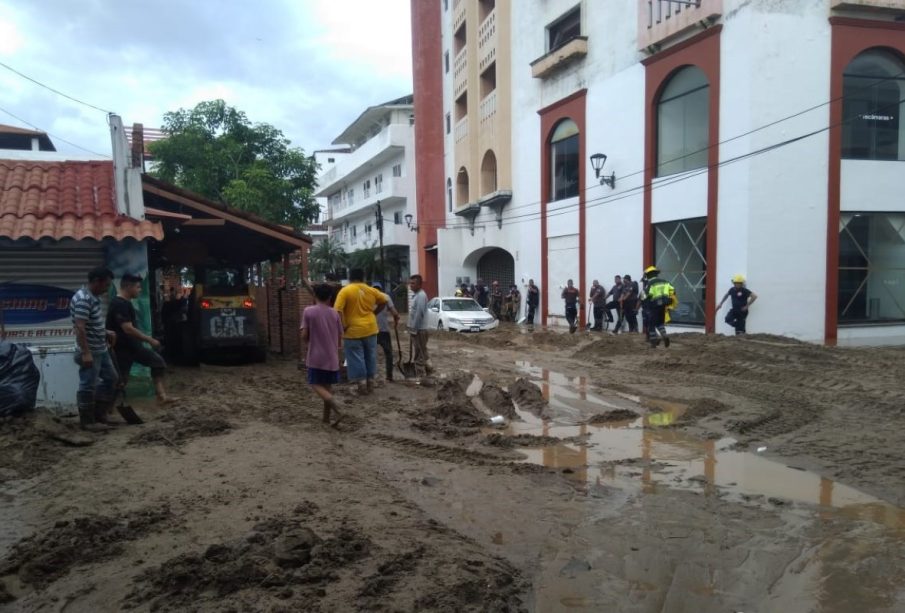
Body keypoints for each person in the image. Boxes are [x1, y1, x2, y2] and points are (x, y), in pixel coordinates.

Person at [106, 274, 176, 405]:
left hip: (133, 346)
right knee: (120, 380)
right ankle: (108, 408)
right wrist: (149, 339)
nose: (140, 290)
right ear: (128, 287)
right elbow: (127, 328)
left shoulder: (126, 303)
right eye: (138, 287)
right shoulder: (119, 304)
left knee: (158, 362)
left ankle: (161, 396)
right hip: (121, 349)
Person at [70, 267, 118, 429]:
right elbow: (80, 328)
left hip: (100, 349)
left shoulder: (92, 298)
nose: (107, 289)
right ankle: (88, 422)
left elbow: (89, 324)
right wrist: (86, 353)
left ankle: (99, 415)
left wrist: (105, 332)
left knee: (111, 378)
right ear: (97, 281)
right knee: (87, 384)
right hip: (91, 351)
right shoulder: (84, 299)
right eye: (106, 285)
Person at [333, 268, 387, 395]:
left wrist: (343, 325)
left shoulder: (345, 290)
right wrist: (374, 313)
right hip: (371, 328)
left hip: (353, 331)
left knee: (356, 358)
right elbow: (384, 301)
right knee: (370, 356)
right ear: (363, 277)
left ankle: (361, 385)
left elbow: (337, 310)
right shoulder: (371, 290)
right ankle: (371, 383)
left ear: (350, 277)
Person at [301, 283, 345, 425]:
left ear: (314, 295)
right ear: (330, 297)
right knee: (327, 387)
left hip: (316, 357)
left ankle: (337, 406)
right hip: (332, 357)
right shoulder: (334, 313)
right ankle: (326, 419)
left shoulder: (308, 311)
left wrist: (307, 340)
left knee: (314, 383)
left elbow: (304, 335)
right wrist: (339, 355)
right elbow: (340, 337)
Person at [642, 266, 675, 348]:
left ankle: (653, 342)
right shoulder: (665, 282)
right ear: (656, 274)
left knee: (651, 325)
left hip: (654, 306)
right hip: (663, 305)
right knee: (660, 323)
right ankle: (665, 335)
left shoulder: (650, 284)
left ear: (648, 275)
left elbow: (645, 296)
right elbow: (672, 290)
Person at [372, 281, 400, 381]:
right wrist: (396, 322)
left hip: (370, 331)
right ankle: (389, 376)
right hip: (384, 330)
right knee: (388, 354)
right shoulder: (386, 297)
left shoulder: (368, 297)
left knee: (370, 354)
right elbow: (395, 313)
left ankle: (371, 377)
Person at [407, 274, 432, 377]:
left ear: (419, 285)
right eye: (410, 283)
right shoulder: (417, 295)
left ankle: (421, 377)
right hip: (418, 329)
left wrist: (414, 329)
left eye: (413, 283)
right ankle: (430, 370)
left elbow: (419, 314)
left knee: (419, 355)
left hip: (419, 330)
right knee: (423, 352)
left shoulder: (421, 296)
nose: (410, 285)